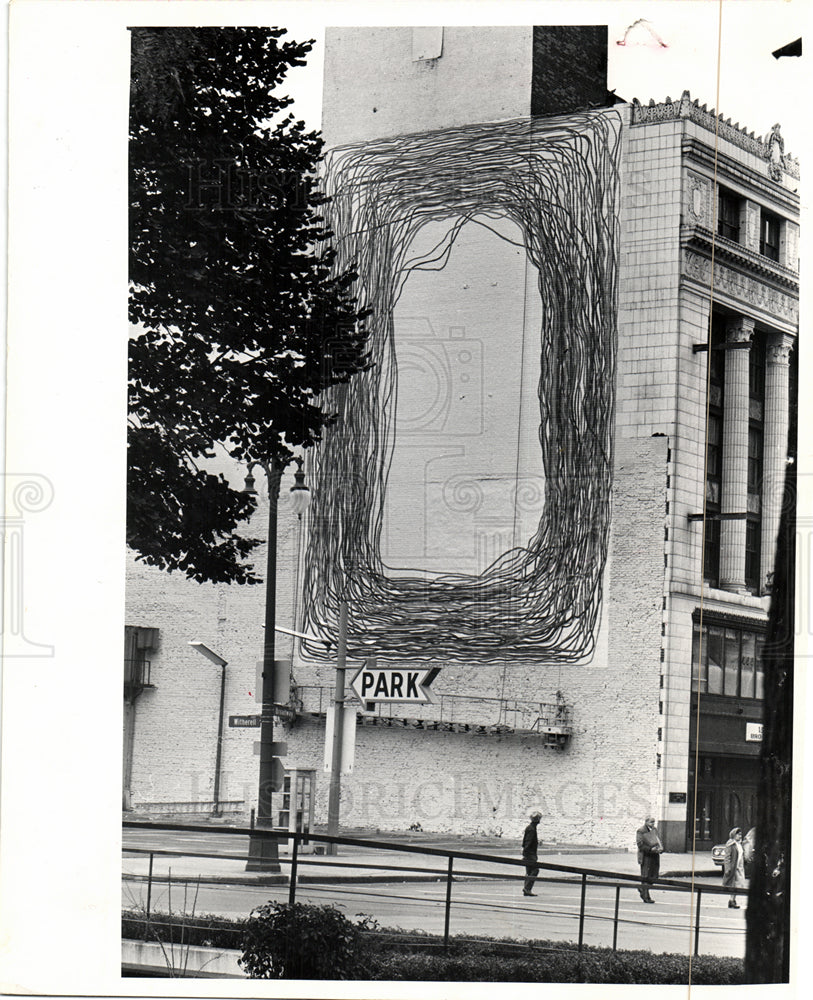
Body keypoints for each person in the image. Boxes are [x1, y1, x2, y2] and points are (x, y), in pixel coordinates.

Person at [636, 815, 663, 903]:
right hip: (646, 855)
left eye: (653, 822)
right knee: (646, 875)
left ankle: (642, 888)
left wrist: (660, 848)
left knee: (654, 875)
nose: (653, 824)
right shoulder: (641, 831)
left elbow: (658, 839)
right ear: (646, 822)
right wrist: (650, 849)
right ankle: (646, 897)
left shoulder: (654, 829)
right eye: (651, 822)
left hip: (655, 855)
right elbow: (640, 844)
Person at [723, 827, 745, 908]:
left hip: (739, 867)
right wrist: (727, 868)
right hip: (733, 867)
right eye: (738, 835)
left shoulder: (739, 844)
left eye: (740, 835)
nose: (740, 836)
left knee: (739, 884)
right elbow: (727, 857)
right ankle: (732, 900)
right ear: (733, 835)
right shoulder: (730, 844)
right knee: (734, 885)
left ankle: (732, 900)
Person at [522, 810, 542, 896]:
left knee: (529, 871)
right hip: (530, 854)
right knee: (535, 870)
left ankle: (527, 889)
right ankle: (527, 888)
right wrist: (526, 854)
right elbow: (527, 842)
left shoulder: (530, 828)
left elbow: (525, 842)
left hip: (529, 854)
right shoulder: (531, 829)